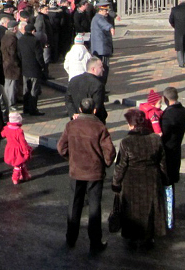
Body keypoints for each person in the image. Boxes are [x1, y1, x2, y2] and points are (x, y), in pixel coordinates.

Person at [57, 97, 116, 253]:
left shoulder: (71, 125)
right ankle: (95, 242)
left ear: (80, 110)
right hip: (95, 172)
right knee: (94, 207)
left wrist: (71, 158)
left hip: (76, 171)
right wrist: (106, 163)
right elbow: (109, 152)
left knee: (74, 204)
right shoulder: (99, 127)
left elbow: (61, 147)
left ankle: (71, 238)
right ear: (94, 110)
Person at [112, 108, 168, 248]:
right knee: (150, 208)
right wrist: (165, 179)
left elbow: (121, 166)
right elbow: (162, 164)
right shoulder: (155, 139)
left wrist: (116, 183)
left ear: (131, 125)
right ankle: (149, 237)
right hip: (152, 179)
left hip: (132, 181)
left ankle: (132, 237)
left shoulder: (126, 142)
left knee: (132, 210)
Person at [65, 57, 107, 124]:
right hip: (93, 123)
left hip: (76, 121)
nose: (103, 69)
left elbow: (68, 100)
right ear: (93, 69)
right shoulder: (98, 84)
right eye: (101, 67)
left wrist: (73, 113)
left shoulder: (73, 80)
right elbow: (97, 106)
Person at [160, 86, 185, 187]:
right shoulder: (183, 111)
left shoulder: (168, 115)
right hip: (176, 151)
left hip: (167, 154)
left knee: (165, 184)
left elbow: (163, 135)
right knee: (170, 184)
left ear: (165, 99)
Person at [17, 24, 45, 116]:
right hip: (34, 68)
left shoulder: (20, 40)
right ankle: (33, 109)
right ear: (33, 31)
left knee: (26, 89)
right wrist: (42, 66)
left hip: (25, 68)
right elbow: (39, 56)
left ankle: (26, 108)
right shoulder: (35, 41)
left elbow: (19, 54)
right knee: (34, 89)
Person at [2, 111, 33, 185]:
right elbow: (23, 142)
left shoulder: (6, 129)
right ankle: (15, 178)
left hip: (10, 149)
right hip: (18, 150)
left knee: (20, 163)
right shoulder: (19, 131)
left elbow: (2, 134)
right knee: (18, 164)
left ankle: (25, 175)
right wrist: (26, 151)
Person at [90, 1, 114, 85]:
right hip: (102, 49)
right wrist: (111, 28)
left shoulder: (98, 18)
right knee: (103, 68)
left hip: (100, 48)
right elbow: (105, 25)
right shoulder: (99, 18)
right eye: (105, 10)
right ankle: (101, 86)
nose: (107, 12)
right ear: (100, 10)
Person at [0, 20, 21, 109]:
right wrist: (17, 62)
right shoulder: (12, 39)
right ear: (15, 28)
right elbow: (13, 53)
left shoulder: (5, 36)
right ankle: (10, 103)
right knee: (12, 85)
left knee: (8, 83)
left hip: (6, 62)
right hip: (12, 64)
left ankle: (6, 101)